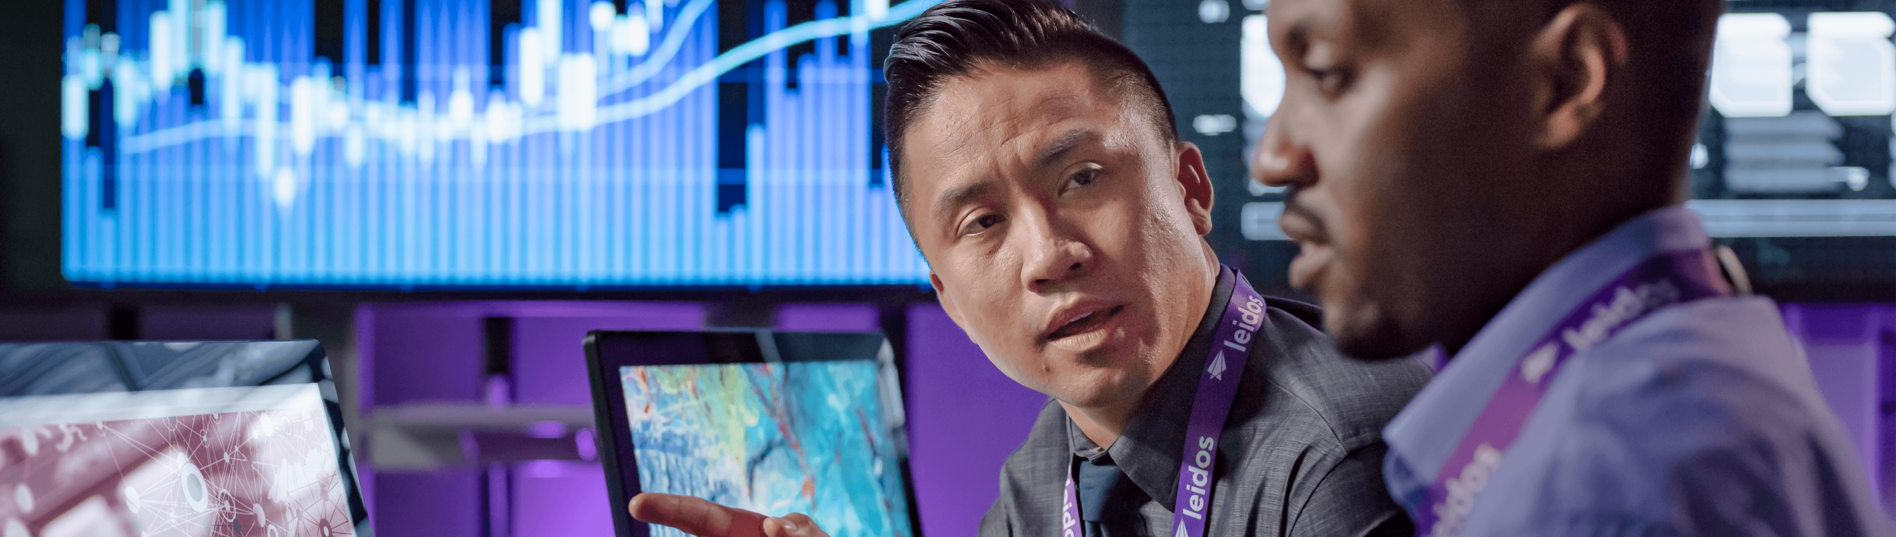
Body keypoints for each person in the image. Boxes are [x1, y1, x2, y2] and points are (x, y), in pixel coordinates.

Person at [626, 1, 1432, 536]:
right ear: (952, 304)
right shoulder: (1056, 465)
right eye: (982, 222)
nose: (1049, 254)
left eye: (1082, 178)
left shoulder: (1340, 466)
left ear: (1189, 188)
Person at [1253, 0, 1892, 535]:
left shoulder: (1598, 487)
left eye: (1326, 73)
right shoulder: (1697, 392)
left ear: (1564, 82)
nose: (1272, 158)